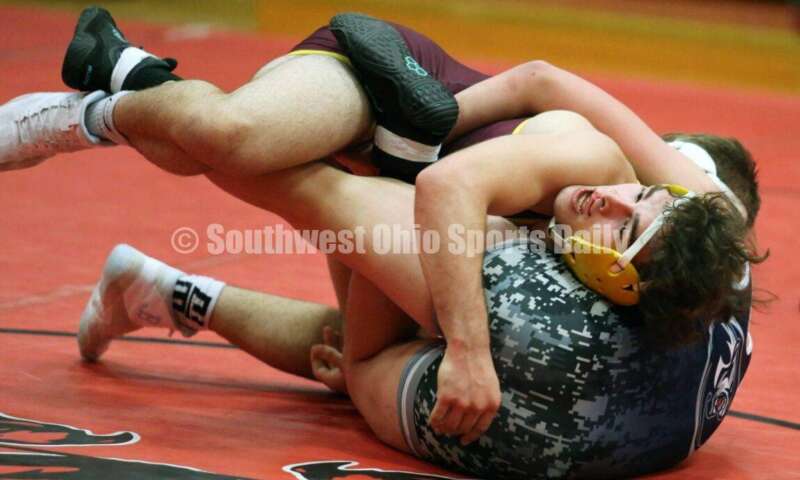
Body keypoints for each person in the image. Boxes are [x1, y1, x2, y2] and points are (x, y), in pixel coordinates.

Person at [0, 8, 762, 473]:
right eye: (645, 189)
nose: (614, 195)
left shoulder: (539, 274)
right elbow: (457, 172)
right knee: (233, 138)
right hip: (389, 84)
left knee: (364, 337)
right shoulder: (588, 160)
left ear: (623, 288)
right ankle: (75, 117)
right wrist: (426, 130)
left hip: (394, 182)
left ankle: (152, 276)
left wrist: (391, 356)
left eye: (623, 223)